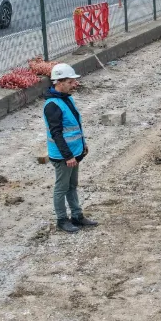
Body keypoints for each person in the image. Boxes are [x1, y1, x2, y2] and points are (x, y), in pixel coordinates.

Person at [44, 63, 98, 234]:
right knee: (62, 187)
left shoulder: (67, 99)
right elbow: (57, 134)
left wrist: (82, 146)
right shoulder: (52, 105)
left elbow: (74, 126)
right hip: (63, 157)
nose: (75, 84)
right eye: (70, 81)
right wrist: (67, 156)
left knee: (72, 185)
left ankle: (77, 215)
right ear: (59, 82)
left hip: (74, 153)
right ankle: (61, 220)